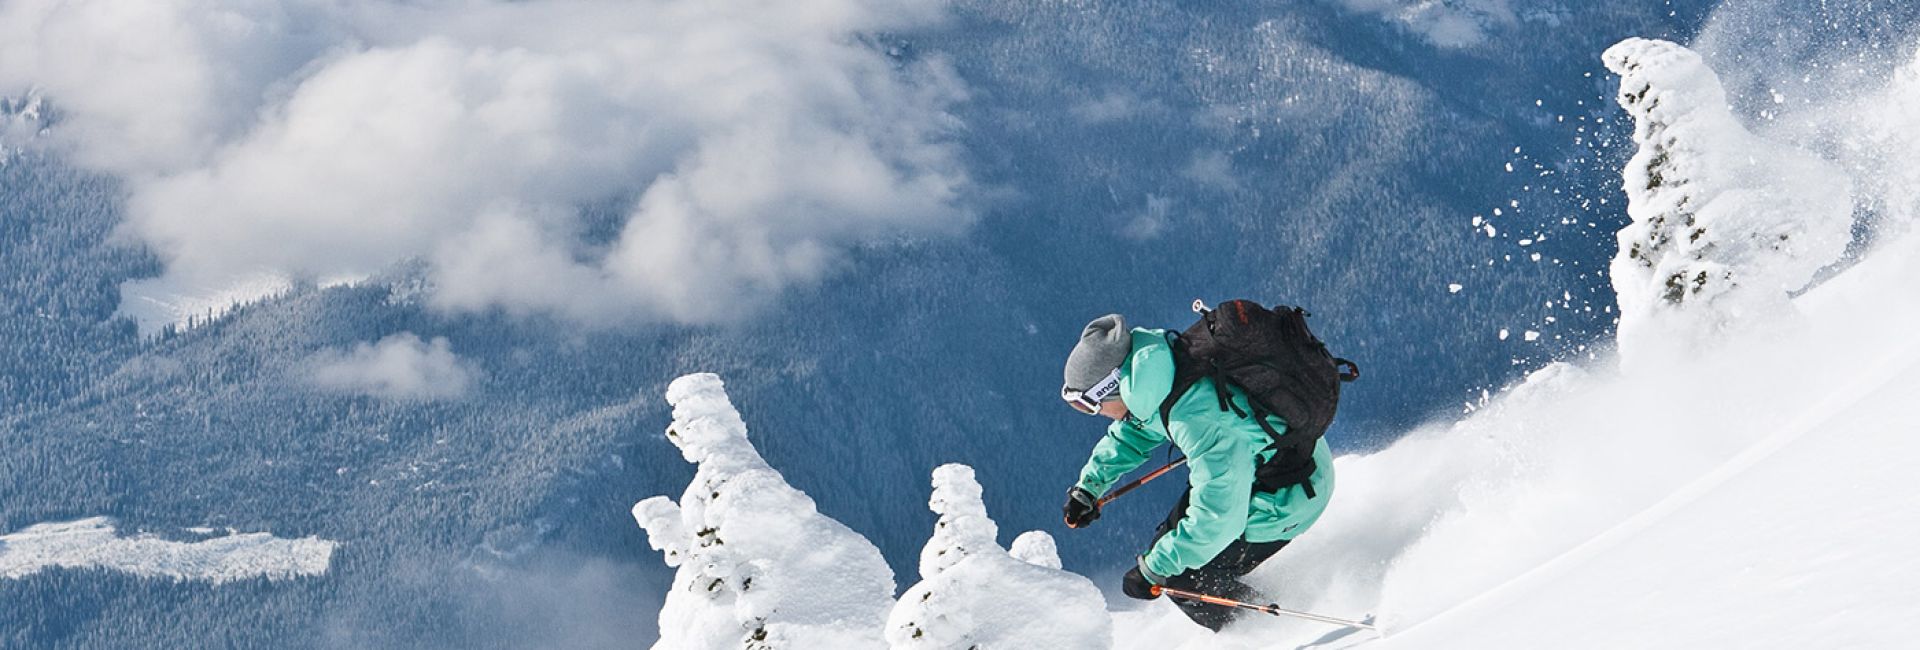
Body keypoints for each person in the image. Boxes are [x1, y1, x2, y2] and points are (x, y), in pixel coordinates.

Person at [1059, 313, 1335, 631]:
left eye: (1089, 405)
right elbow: (1134, 433)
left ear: (1112, 386)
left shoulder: (1196, 420)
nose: (1095, 414)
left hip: (1290, 494)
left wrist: (1153, 569)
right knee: (1173, 550)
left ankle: (1269, 634)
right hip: (1267, 465)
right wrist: (1089, 487)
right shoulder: (1158, 374)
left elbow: (1220, 516)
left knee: (1182, 576)